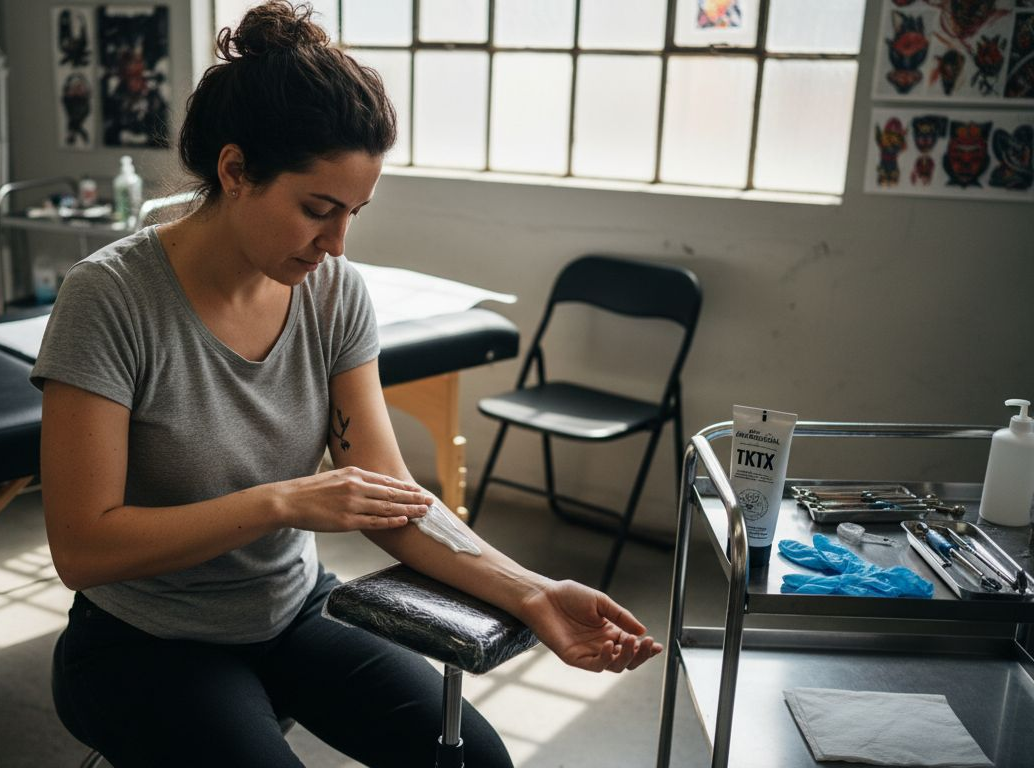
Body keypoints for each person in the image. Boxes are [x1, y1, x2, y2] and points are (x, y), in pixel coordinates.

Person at [33, 3, 662, 766]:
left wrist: (529, 589)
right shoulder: (109, 298)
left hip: (291, 610)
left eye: (354, 214)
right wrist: (283, 500)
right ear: (235, 171)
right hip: (140, 642)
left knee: (472, 760)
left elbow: (390, 499)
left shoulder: (334, 293)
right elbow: (83, 546)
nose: (335, 243)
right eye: (317, 210)